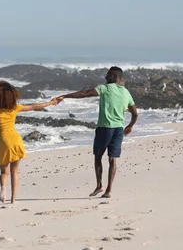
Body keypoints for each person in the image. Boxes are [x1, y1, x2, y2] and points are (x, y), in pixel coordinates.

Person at [58, 66, 138, 198]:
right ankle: (108, 190)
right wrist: (130, 126)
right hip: (118, 129)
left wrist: (65, 96)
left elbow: (84, 94)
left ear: (117, 78)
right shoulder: (125, 92)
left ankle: (99, 185)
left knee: (98, 157)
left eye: (110, 75)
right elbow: (135, 113)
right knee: (112, 159)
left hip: (105, 128)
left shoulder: (105, 89)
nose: (106, 77)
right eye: (107, 75)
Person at [0, 80, 60, 204]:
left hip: (3, 142)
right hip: (16, 140)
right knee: (15, 172)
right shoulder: (15, 108)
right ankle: (13, 200)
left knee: (4, 172)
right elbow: (35, 106)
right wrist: (51, 102)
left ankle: (3, 188)